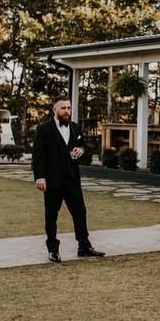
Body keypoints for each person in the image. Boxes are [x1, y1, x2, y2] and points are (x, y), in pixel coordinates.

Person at [32, 95, 104, 263]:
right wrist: (40, 177)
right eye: (63, 108)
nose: (67, 111)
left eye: (69, 108)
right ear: (54, 110)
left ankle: (84, 247)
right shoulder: (43, 129)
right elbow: (38, 156)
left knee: (80, 212)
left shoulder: (75, 127)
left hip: (72, 179)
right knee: (51, 216)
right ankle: (53, 250)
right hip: (52, 181)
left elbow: (83, 145)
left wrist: (81, 149)